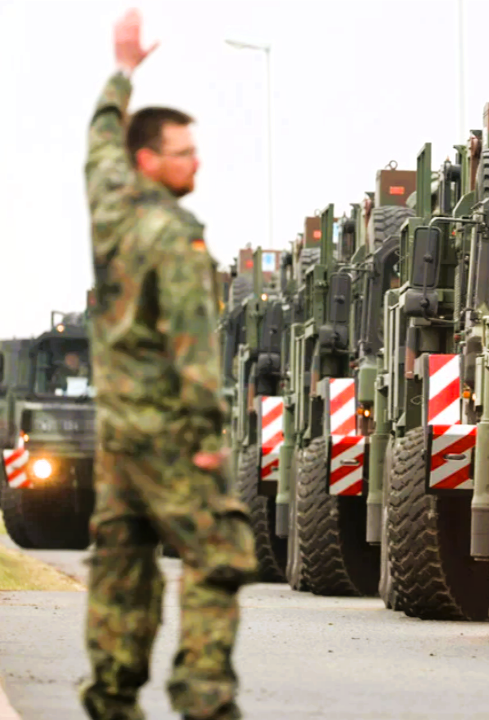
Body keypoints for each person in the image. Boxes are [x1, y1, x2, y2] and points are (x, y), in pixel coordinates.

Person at [81, 10, 257, 720]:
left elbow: (98, 147)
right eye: (184, 153)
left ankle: (112, 700)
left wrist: (122, 73)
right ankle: (205, 700)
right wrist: (209, 441)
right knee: (219, 556)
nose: (197, 163)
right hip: (168, 436)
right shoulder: (173, 240)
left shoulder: (111, 211)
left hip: (117, 438)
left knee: (121, 568)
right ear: (150, 162)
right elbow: (194, 349)